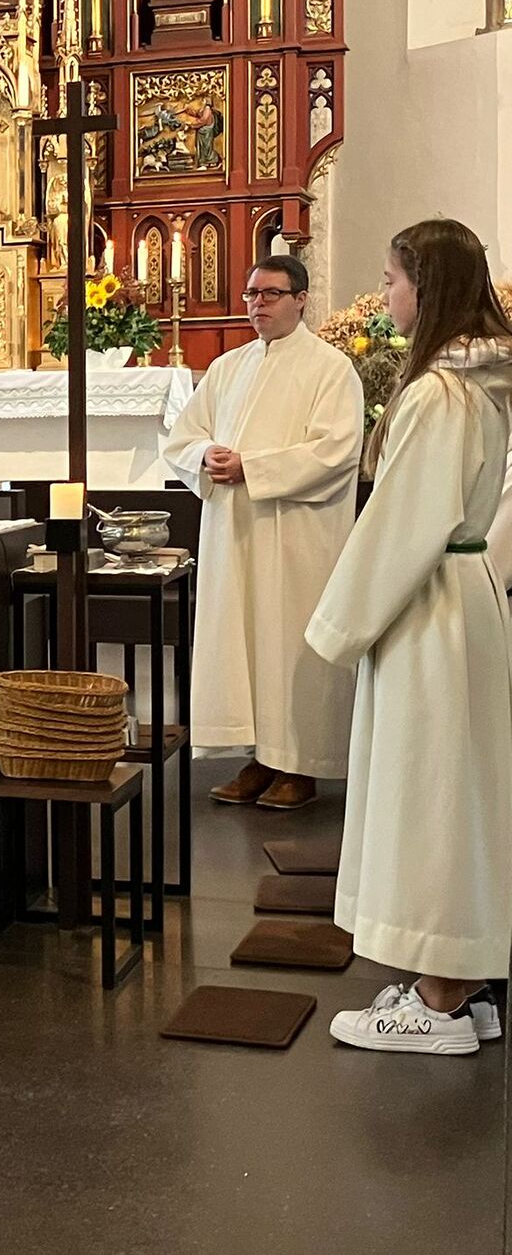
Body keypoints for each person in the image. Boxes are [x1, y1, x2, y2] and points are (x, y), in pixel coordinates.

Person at [309, 219, 512, 1056]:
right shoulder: (483, 382)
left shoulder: (439, 393)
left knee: (429, 795)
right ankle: (462, 983)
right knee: (457, 792)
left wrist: (337, 625)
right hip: (464, 597)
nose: (384, 293)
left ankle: (437, 1001)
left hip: (429, 606)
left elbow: (403, 524)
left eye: (391, 279)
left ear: (425, 288)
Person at [162, 255, 364, 810]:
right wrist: (205, 455)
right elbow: (182, 437)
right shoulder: (228, 367)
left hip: (297, 534)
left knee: (291, 644)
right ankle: (260, 757)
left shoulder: (331, 369)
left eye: (271, 294)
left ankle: (301, 764)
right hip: (235, 533)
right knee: (246, 644)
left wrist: (253, 467)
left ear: (301, 299)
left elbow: (338, 450)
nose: (258, 304)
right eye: (251, 294)